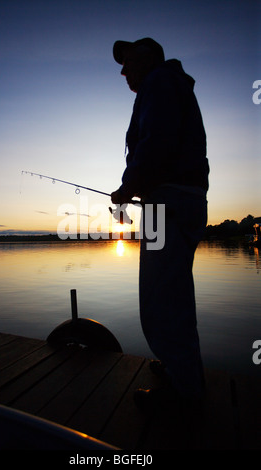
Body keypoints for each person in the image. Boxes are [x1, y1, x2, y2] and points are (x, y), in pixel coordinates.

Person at [111, 38, 209, 407]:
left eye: (129, 61)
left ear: (150, 58)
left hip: (168, 202)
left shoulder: (159, 82)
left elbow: (156, 142)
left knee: (162, 302)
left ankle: (184, 394)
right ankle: (180, 370)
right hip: (181, 200)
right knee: (174, 295)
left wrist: (126, 188)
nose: (123, 71)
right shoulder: (172, 84)